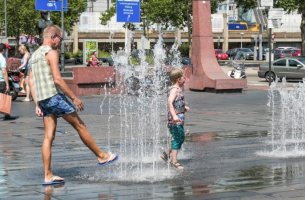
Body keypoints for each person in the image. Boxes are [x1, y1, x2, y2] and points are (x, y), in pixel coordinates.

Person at [28, 25, 118, 186]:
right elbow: (57, 79)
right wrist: (74, 98)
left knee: (48, 137)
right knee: (80, 125)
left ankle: (48, 175)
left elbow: (31, 82)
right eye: (60, 39)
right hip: (54, 97)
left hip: (43, 100)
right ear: (53, 37)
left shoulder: (34, 55)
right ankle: (101, 155)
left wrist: (37, 104)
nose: (60, 43)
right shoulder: (51, 52)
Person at [161, 68, 189, 170]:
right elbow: (169, 102)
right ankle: (174, 161)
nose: (185, 79)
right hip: (174, 120)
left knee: (180, 138)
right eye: (183, 77)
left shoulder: (179, 89)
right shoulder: (174, 90)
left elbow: (177, 102)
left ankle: (166, 155)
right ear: (178, 79)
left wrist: (183, 107)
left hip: (179, 118)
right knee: (178, 138)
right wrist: (174, 116)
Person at [0, 43, 18, 121]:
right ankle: (7, 114)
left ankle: (6, 114)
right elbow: (4, 71)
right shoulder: (2, 58)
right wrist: (7, 84)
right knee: (5, 97)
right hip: (1, 81)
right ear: (3, 50)